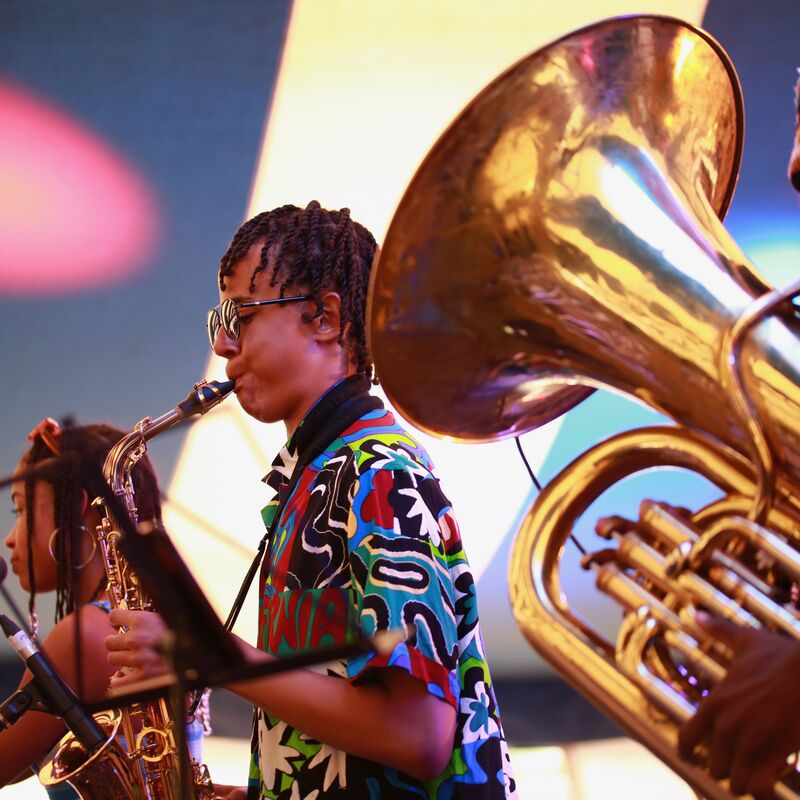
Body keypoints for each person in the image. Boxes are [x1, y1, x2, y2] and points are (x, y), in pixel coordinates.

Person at [106, 201, 517, 799]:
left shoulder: (379, 474)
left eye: (239, 314)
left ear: (324, 317)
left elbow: (419, 737)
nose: (223, 343)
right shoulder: (316, 478)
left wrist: (213, 657)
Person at [0, 419, 207, 796]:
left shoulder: (86, 635)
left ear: (76, 507)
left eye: (20, 510)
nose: (9, 539)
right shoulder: (152, 617)